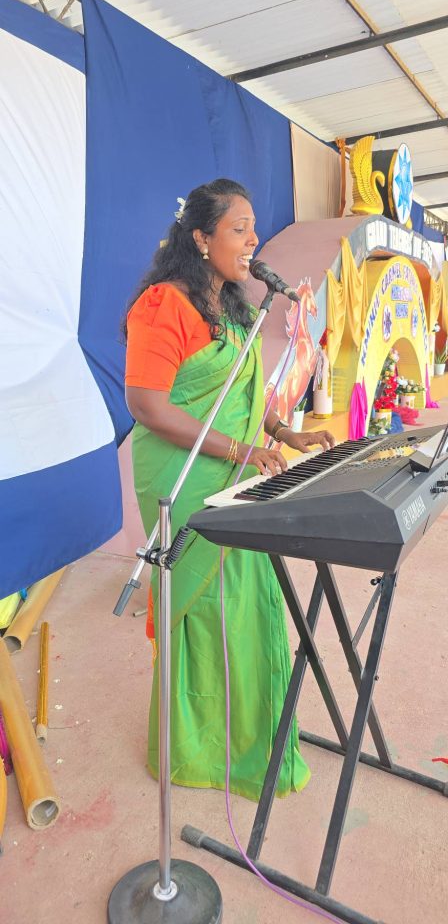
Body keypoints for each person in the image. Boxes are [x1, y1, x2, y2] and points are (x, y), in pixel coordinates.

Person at [124, 179, 335, 801]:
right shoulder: (163, 305)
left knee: (248, 605)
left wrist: (284, 433)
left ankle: (250, 735)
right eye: (239, 229)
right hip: (186, 477)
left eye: (253, 229)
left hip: (238, 474)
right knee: (209, 609)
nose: (252, 241)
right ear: (200, 238)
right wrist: (243, 452)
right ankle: (199, 749)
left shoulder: (234, 305)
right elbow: (148, 405)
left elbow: (242, 390)